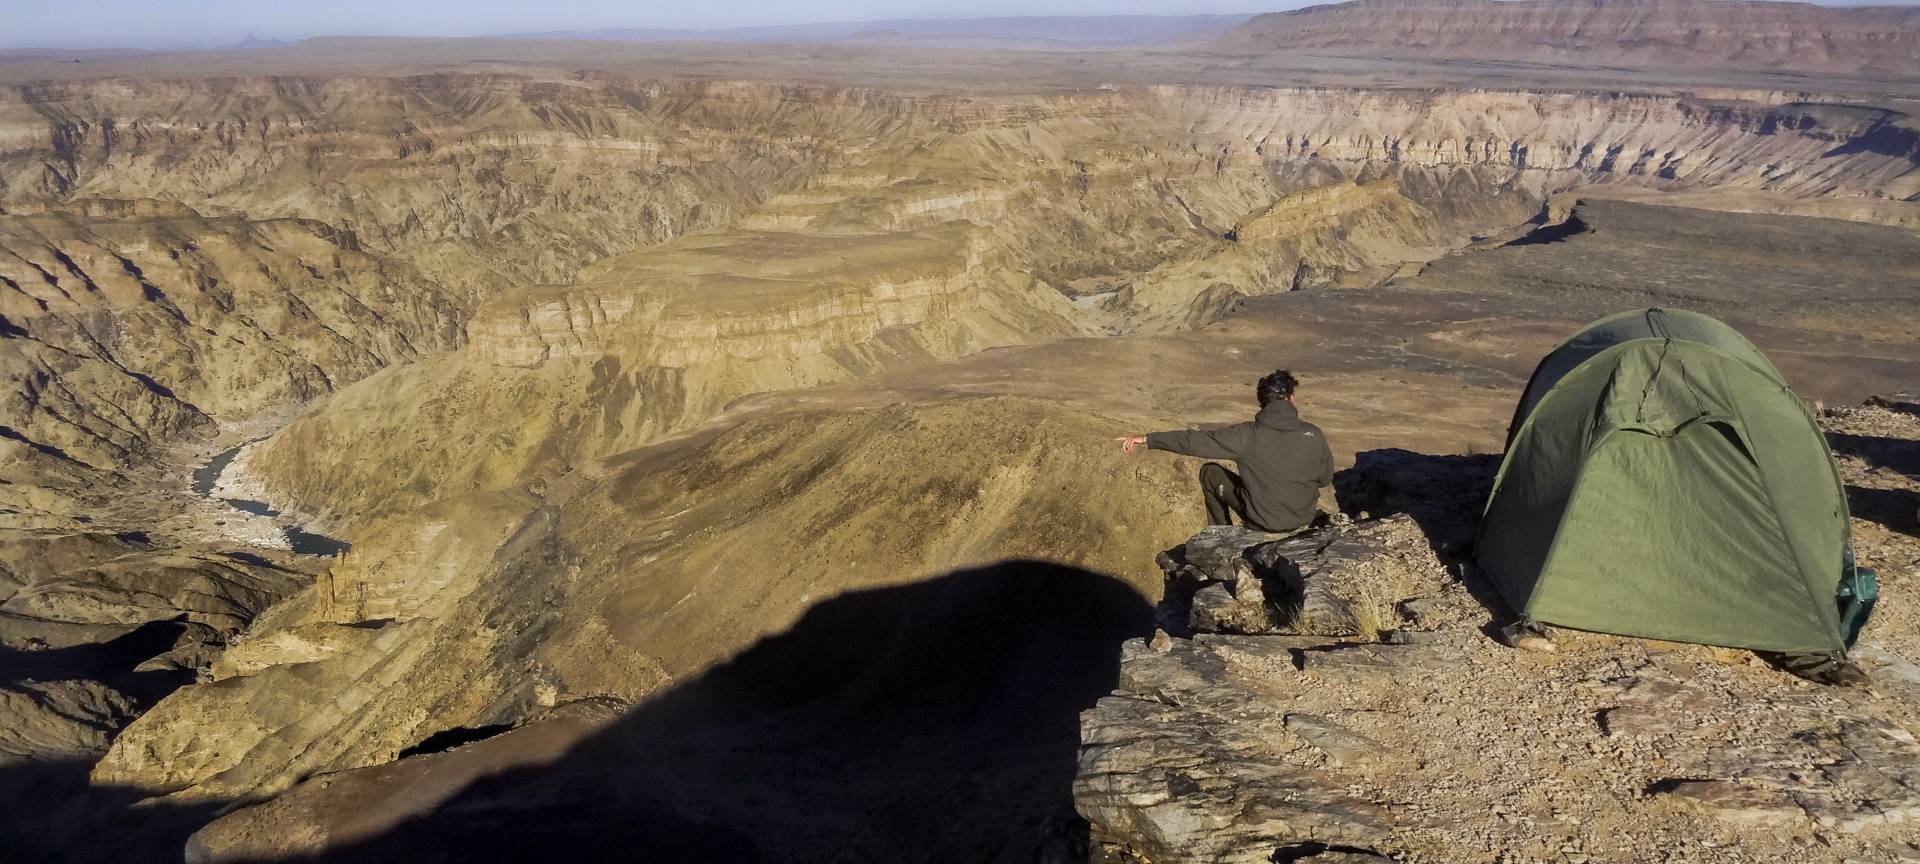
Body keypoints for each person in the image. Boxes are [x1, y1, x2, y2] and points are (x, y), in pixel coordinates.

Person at [1116, 369, 1333, 534]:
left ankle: (1220, 533)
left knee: (1210, 473)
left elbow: (1195, 441)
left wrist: (1147, 439)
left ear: (1263, 403)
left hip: (1264, 521)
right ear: (1288, 398)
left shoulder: (1246, 435)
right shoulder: (1313, 433)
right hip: (1304, 518)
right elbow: (1325, 479)